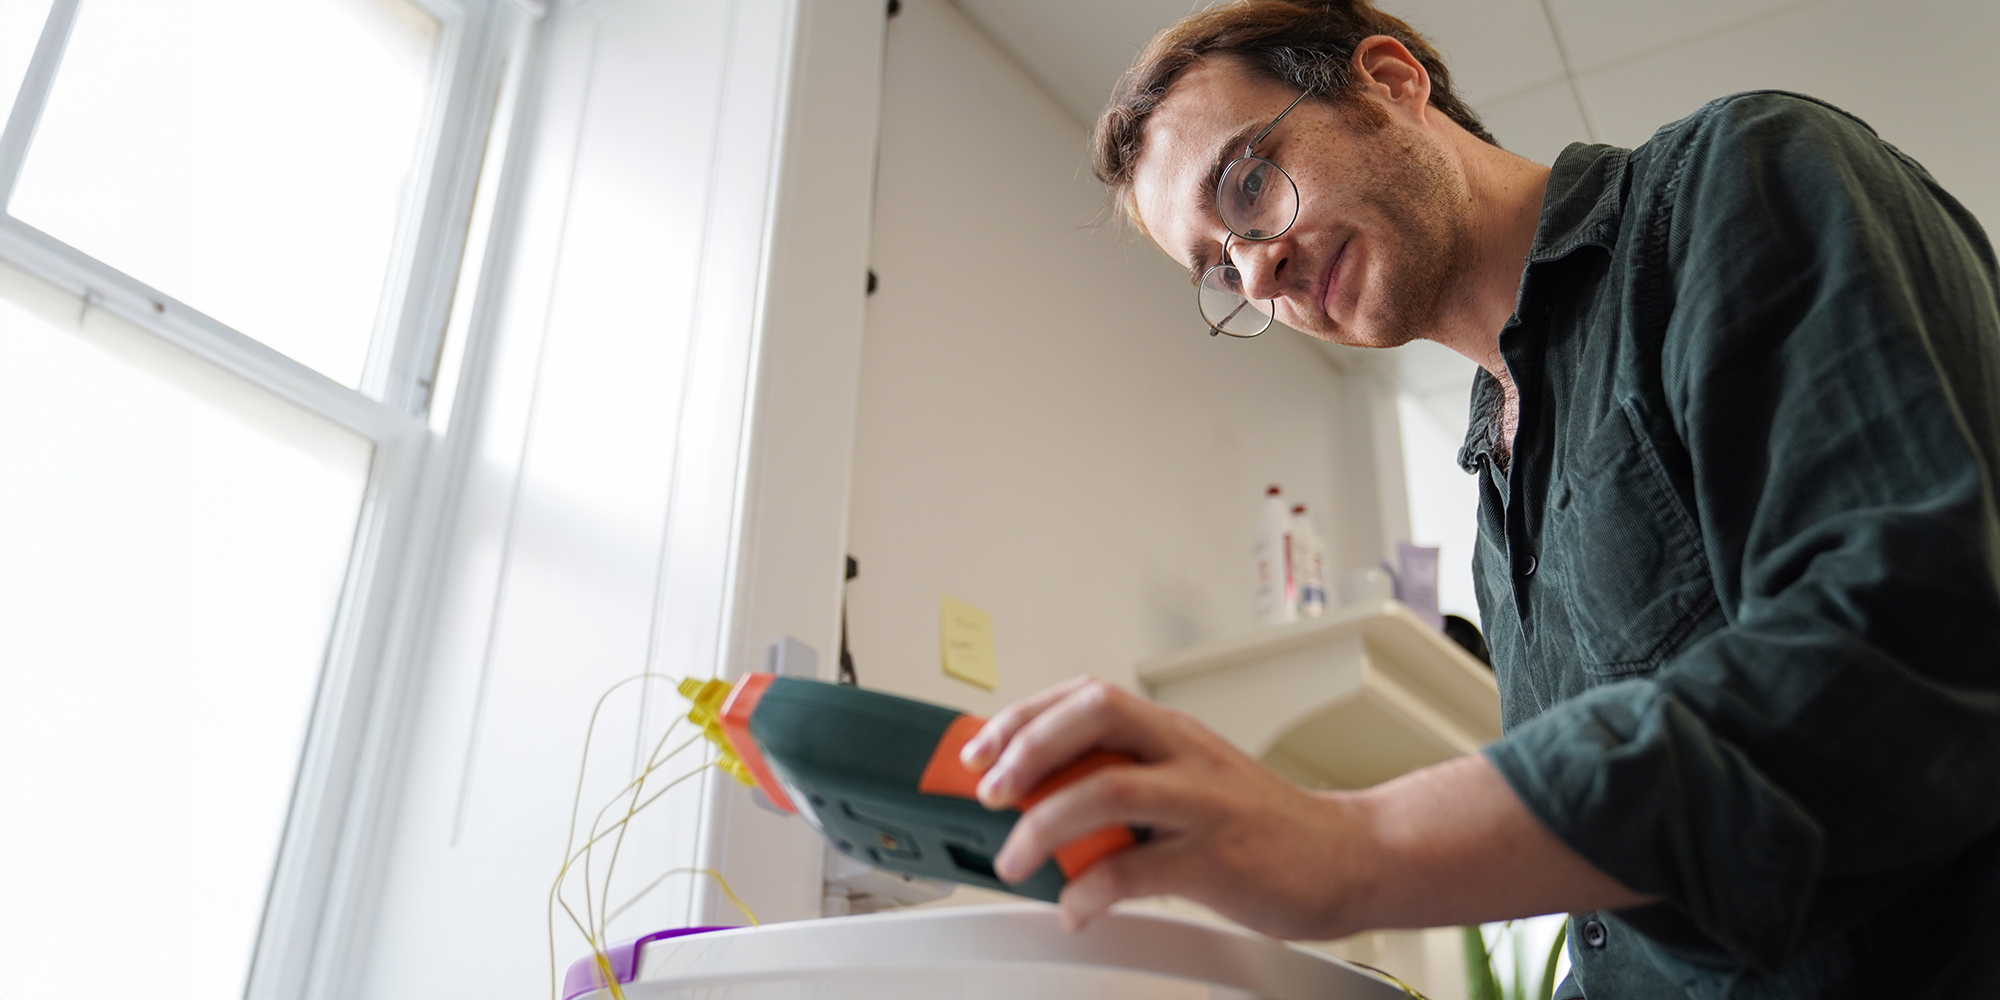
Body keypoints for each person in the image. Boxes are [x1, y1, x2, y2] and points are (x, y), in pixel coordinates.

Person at [954, 1, 2000, 996]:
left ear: (1388, 82)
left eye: (1248, 184)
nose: (1257, 271)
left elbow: (1911, 654)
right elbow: (1630, 937)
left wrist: (1353, 847)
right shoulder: (1496, 505)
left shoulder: (1737, 180)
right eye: (1219, 270)